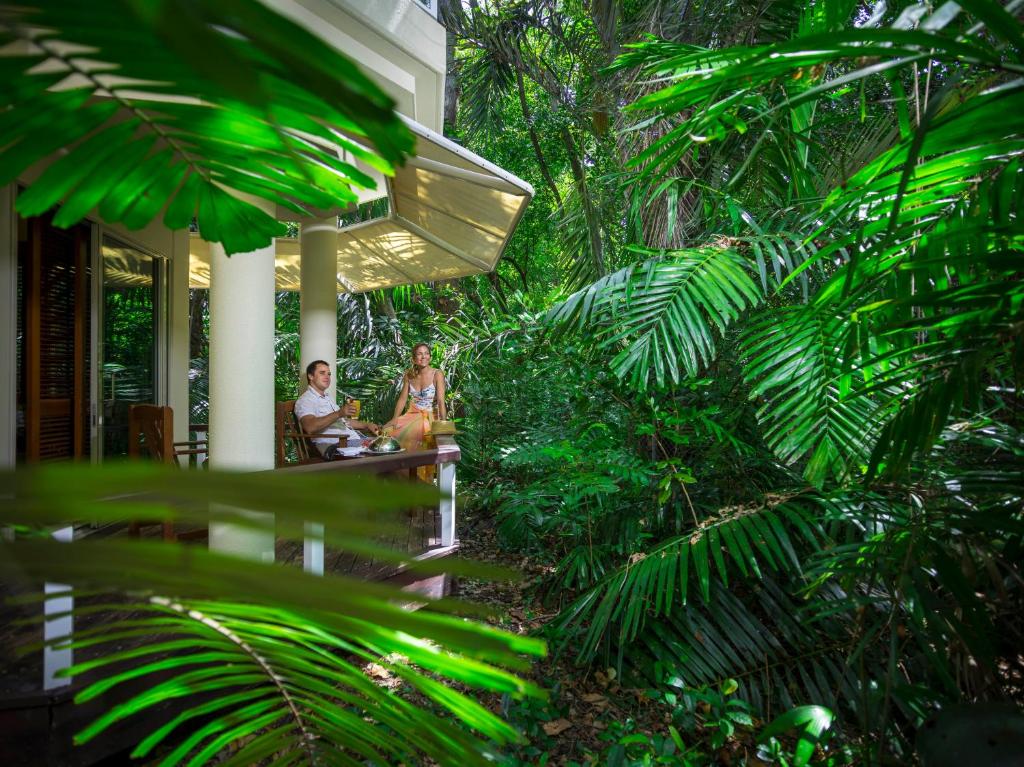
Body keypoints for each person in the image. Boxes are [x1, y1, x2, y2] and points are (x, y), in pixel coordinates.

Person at [294, 360, 379, 457]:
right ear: (311, 376)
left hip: (351, 441)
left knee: (388, 443)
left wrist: (367, 425)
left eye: (329, 374)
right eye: (322, 373)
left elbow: (342, 421)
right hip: (336, 445)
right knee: (382, 448)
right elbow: (310, 427)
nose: (327, 377)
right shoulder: (305, 400)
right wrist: (339, 413)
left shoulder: (327, 397)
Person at [384, 343, 447, 451]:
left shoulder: (437, 374)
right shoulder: (409, 375)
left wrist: (444, 422)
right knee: (386, 430)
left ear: (430, 357)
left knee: (424, 438)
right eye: (419, 354)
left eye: (426, 353)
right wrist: (395, 418)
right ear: (413, 359)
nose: (424, 357)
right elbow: (403, 399)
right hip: (412, 415)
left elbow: (441, 401)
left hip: (431, 416)